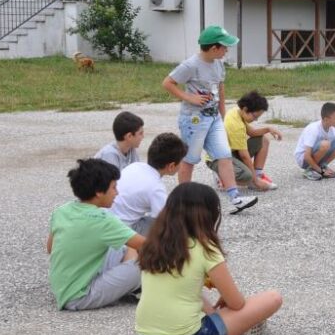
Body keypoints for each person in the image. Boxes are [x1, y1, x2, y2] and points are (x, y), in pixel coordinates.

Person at [135, 183, 282, 335]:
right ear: (208, 215)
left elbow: (185, 292)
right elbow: (236, 304)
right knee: (273, 298)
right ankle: (234, 332)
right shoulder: (205, 247)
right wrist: (228, 304)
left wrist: (212, 311)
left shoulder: (153, 244)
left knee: (191, 297)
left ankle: (225, 327)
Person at [162, 25, 256, 214]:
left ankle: (235, 198)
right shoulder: (191, 65)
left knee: (224, 155)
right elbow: (167, 83)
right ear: (214, 48)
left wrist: (222, 115)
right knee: (189, 159)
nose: (227, 50)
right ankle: (182, 203)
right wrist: (190, 98)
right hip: (194, 120)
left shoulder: (219, 64)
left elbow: (220, 89)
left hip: (214, 119)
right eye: (225, 47)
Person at [47, 158, 144, 311]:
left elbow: (51, 248)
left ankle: (128, 284)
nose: (117, 193)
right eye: (114, 187)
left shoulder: (62, 210)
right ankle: (131, 286)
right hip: (79, 296)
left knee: (125, 245)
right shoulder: (103, 220)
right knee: (143, 266)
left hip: (62, 287)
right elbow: (148, 246)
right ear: (99, 192)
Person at [205, 90, 282, 191]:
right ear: (245, 109)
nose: (256, 120)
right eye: (255, 116)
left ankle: (258, 175)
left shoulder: (237, 111)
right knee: (247, 176)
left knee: (263, 140)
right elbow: (244, 156)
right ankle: (223, 177)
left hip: (230, 153)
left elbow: (252, 132)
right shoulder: (236, 126)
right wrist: (256, 181)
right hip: (216, 159)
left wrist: (268, 129)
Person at [112, 133, 186, 234]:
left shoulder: (135, 166)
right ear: (171, 166)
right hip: (123, 230)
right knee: (172, 226)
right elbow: (165, 220)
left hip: (109, 219)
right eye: (182, 161)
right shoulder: (156, 188)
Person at [296, 102, 335, 180]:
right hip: (303, 160)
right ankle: (310, 170)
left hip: (315, 157)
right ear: (326, 119)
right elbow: (307, 156)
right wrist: (321, 172)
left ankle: (321, 166)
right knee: (325, 144)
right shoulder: (313, 129)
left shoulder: (332, 130)